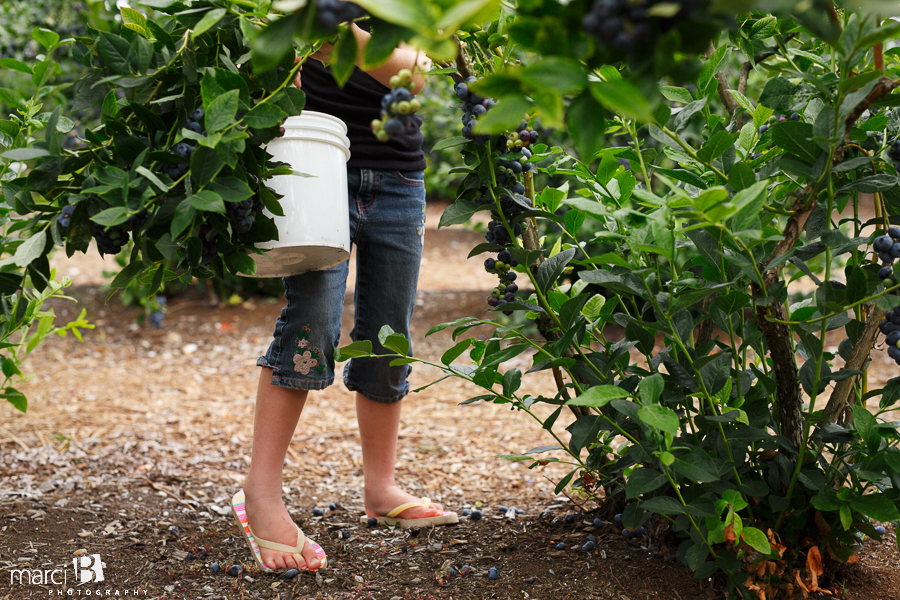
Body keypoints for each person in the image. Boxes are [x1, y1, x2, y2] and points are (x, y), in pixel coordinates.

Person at [231, 19, 458, 574]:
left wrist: (328, 29)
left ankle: (380, 488)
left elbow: (417, 73)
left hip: (397, 175)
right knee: (311, 320)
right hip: (308, 163)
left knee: (390, 333)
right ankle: (258, 495)